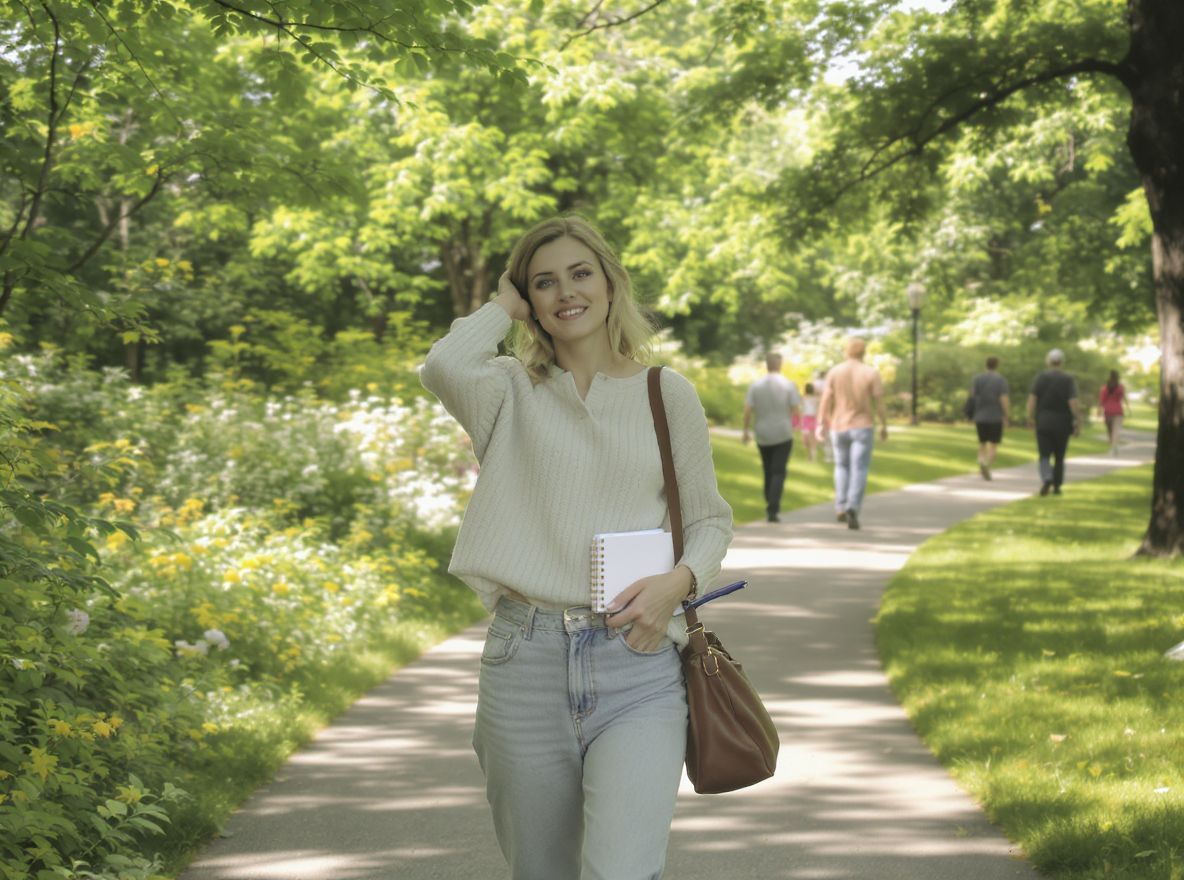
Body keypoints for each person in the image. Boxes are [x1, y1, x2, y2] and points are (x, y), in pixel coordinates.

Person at [420, 215, 733, 880]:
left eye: (581, 273)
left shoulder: (665, 393)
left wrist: (677, 583)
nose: (566, 291)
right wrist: (503, 304)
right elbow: (443, 364)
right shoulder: (506, 390)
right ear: (528, 300)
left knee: (621, 870)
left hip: (637, 660)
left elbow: (709, 521)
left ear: (610, 283)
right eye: (544, 282)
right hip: (523, 662)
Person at [815, 337, 888, 530]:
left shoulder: (835, 371)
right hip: (862, 425)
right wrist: (883, 425)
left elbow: (825, 399)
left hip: (839, 426)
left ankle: (840, 506)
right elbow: (879, 402)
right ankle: (853, 506)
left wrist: (820, 424)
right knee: (859, 468)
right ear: (864, 352)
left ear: (847, 351)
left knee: (841, 466)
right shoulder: (870, 372)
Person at [742, 352, 802, 522]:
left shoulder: (755, 386)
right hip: (783, 433)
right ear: (780, 365)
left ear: (766, 365)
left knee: (768, 469)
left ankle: (769, 500)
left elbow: (747, 410)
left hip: (762, 433)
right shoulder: (788, 385)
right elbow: (796, 410)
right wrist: (796, 427)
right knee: (779, 471)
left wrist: (745, 431)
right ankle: (773, 508)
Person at [1026, 348, 1081, 496]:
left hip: (1043, 422)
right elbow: (1073, 402)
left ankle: (1047, 477)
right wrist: (1077, 420)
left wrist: (1029, 417)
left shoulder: (1040, 378)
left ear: (1048, 361)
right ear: (1062, 362)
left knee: (1044, 454)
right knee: (1059, 456)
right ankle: (1057, 486)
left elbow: (1032, 399)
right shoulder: (1068, 379)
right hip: (1063, 423)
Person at [968, 356, 1011, 480]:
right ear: (997, 365)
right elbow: (1004, 398)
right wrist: (1006, 415)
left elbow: (972, 396)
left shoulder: (977, 379)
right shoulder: (1001, 380)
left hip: (980, 416)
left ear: (985, 364)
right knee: (993, 444)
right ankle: (987, 465)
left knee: (982, 443)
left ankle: (981, 462)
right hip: (995, 417)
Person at [1098, 369, 1129, 456]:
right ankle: (1114, 447)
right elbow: (1123, 398)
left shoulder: (1104, 388)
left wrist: (1099, 411)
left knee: (1110, 431)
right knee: (1116, 430)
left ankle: (1113, 446)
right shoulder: (1121, 387)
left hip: (1108, 411)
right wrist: (1128, 408)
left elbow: (1101, 400)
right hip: (1118, 411)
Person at [812, 368, 833, 462]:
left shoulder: (815, 383)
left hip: (819, 406)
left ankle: (821, 441)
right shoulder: (827, 383)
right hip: (827, 407)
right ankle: (825, 445)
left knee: (820, 425)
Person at [800, 382, 820, 462]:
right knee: (811, 438)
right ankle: (812, 456)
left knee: (808, 437)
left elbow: (801, 408)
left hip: (807, 418)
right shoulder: (815, 399)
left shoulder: (804, 398)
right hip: (811, 418)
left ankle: (811, 456)